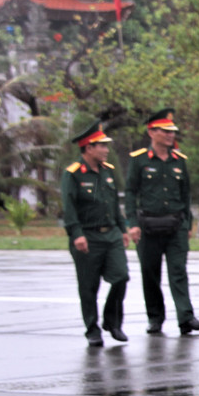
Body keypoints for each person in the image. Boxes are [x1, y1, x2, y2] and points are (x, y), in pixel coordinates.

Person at [125, 108, 199, 336]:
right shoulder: (139, 160)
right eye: (165, 131)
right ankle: (155, 318)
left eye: (172, 131)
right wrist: (132, 223)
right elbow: (130, 193)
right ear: (151, 132)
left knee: (178, 271)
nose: (171, 135)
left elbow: (185, 194)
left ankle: (186, 317)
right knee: (150, 273)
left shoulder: (179, 161)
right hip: (148, 226)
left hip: (176, 226)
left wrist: (187, 222)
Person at [61, 121, 130, 347]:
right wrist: (76, 233)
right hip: (87, 236)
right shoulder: (73, 174)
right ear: (88, 148)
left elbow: (113, 204)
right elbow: (69, 207)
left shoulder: (107, 172)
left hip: (111, 235)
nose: (106, 149)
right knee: (89, 287)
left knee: (121, 276)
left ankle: (112, 321)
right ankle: (92, 328)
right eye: (101, 146)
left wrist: (123, 229)